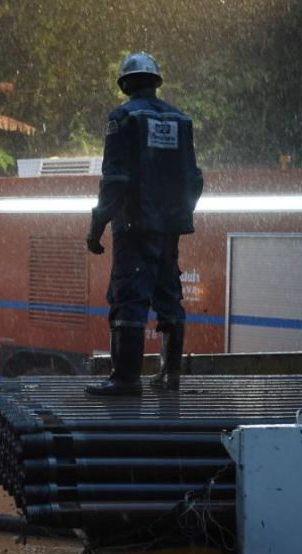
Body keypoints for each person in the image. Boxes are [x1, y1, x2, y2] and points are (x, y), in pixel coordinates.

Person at [85, 51, 203, 396]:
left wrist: (97, 227)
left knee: (129, 299)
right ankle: (171, 376)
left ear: (125, 84)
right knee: (169, 296)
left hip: (134, 227)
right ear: (155, 82)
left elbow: (115, 180)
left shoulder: (123, 118)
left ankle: (125, 379)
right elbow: (194, 179)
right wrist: (178, 214)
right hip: (170, 227)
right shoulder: (181, 120)